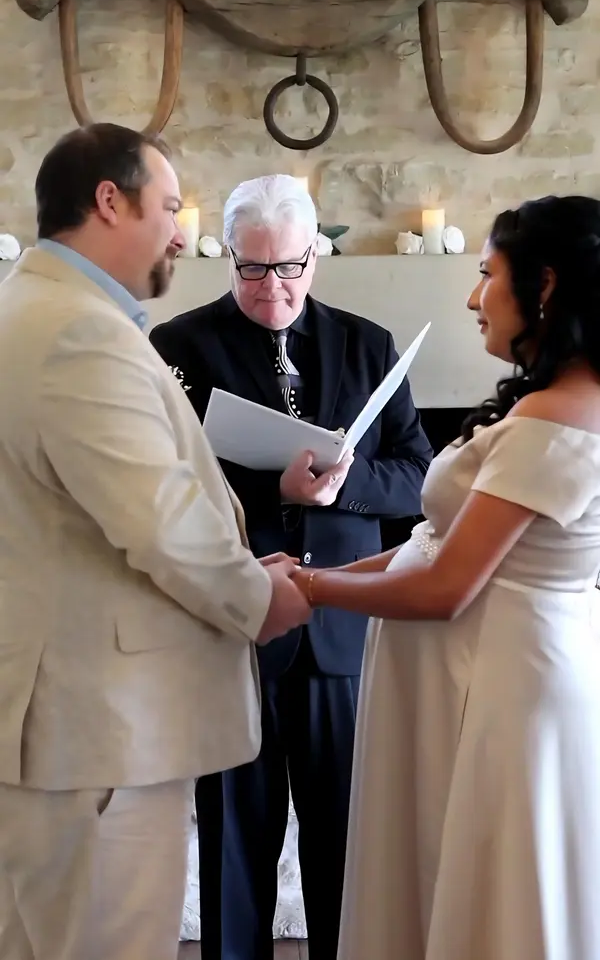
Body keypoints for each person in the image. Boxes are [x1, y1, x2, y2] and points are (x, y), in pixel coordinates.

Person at [0, 126, 310, 960]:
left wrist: (242, 564)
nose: (179, 233)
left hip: (72, 728)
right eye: (169, 207)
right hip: (99, 737)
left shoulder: (35, 308)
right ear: (110, 200)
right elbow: (159, 518)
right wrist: (258, 598)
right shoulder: (78, 332)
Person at [292, 194, 600, 960]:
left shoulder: (556, 419)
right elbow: (431, 546)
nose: (472, 297)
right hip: (481, 675)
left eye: (487, 274)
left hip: (503, 687)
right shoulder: (549, 405)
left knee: (497, 895)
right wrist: (316, 572)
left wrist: (310, 589)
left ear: (545, 284)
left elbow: (443, 586)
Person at [150, 174, 432, 960]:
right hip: (233, 628)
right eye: (252, 267)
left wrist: (347, 483)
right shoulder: (177, 348)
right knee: (233, 843)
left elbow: (419, 474)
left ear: (316, 255)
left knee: (348, 844)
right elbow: (162, 484)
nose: (271, 286)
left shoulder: (369, 345)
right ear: (229, 256)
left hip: (341, 633)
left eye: (289, 267)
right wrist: (270, 488)